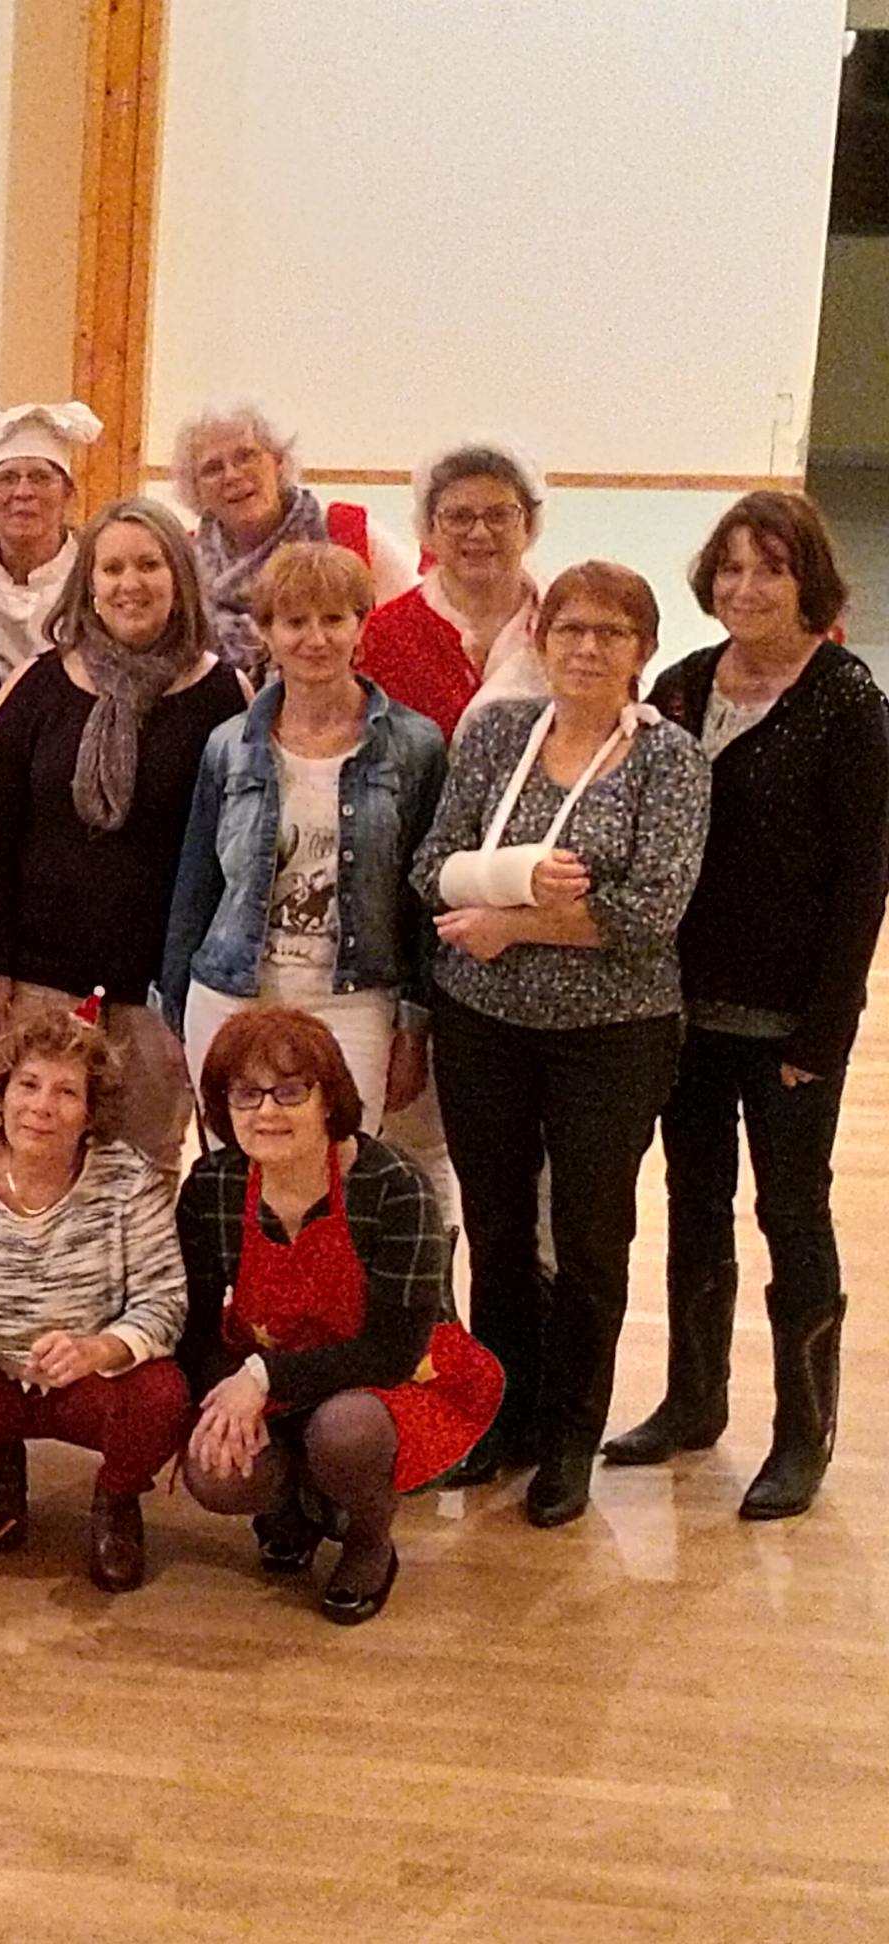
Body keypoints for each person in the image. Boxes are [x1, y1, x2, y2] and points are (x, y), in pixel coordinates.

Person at [605, 493, 887, 1519]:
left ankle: (803, 1435)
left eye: (770, 567)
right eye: (729, 568)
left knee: (793, 1213)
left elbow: (864, 883)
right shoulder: (681, 686)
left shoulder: (848, 702)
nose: (746, 587)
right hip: (679, 1009)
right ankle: (693, 1400)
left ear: (809, 580)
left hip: (789, 1024)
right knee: (692, 1203)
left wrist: (827, 1031)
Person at [413, 563, 711, 1524]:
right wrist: (515, 887)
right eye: (571, 629)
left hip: (611, 1036)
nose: (587, 648)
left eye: (611, 633)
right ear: (541, 642)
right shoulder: (497, 734)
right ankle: (504, 1419)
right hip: (482, 1025)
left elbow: (652, 913)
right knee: (497, 1231)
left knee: (589, 1238)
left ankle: (572, 1437)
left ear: (643, 651)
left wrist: (507, 921)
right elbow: (432, 867)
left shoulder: (671, 761)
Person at [176, 1005, 499, 1626]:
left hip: (383, 1380)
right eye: (245, 1094)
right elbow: (193, 1327)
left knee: (346, 1434)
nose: (266, 1112)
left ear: (330, 1099)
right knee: (214, 1472)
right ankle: (291, 1503)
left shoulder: (392, 1184)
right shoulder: (213, 1186)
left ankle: (368, 1536)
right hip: (269, 1374)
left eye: (289, 1092)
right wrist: (229, 1402)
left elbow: (392, 1351)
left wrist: (262, 1378)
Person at [0, 497, 248, 1169]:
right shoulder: (35, 685)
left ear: (179, 577)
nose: (130, 584)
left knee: (143, 1169)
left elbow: (233, 856)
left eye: (149, 565)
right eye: (112, 568)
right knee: (36, 1161)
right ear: (87, 582)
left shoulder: (225, 695)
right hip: (38, 983)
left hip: (160, 992)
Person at [0, 994, 190, 1589]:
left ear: (91, 1110)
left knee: (162, 1398)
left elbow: (164, 1300)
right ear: (0, 1094)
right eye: (28, 1085)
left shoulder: (130, 1177)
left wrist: (98, 1349)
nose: (42, 1106)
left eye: (67, 1092)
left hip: (89, 1380)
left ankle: (117, 1499)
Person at [162, 542, 446, 1135]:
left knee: (341, 1164)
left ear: (361, 625)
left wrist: (415, 1023)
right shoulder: (228, 744)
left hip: (354, 998)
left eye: (333, 619)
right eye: (295, 622)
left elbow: (423, 901)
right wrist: (175, 1007)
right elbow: (196, 884)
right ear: (266, 631)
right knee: (237, 1169)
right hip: (230, 992)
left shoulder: (415, 746)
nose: (315, 639)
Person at [169, 402, 418, 674]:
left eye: (246, 456)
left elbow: (415, 629)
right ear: (195, 489)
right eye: (212, 468)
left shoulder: (347, 531)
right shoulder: (183, 562)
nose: (232, 475)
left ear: (279, 461)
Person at [358, 440, 547, 741]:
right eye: (458, 517)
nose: (480, 532)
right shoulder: (383, 636)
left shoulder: (564, 627)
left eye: (499, 515)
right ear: (428, 530)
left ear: (529, 526)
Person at [0, 401, 101, 680]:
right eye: (8, 478)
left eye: (41, 478)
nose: (24, 492)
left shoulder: (95, 573)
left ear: (67, 494)